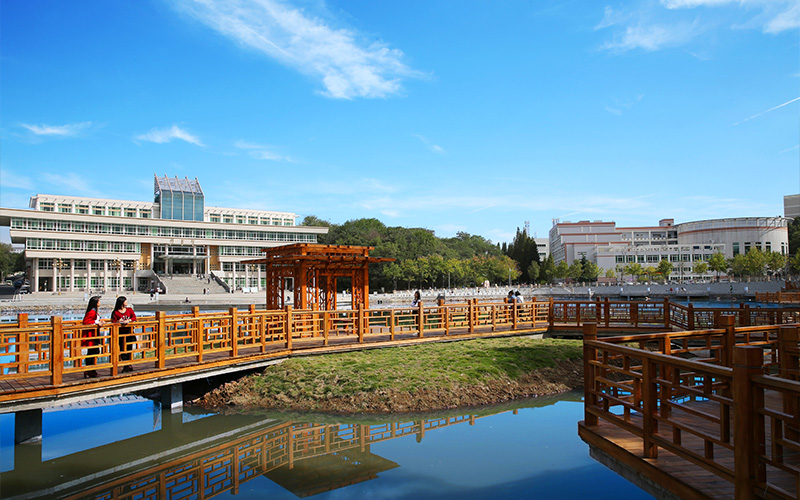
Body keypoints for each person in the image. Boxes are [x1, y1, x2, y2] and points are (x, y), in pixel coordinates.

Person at [111, 296, 137, 373]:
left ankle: (128, 364)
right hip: (120, 333)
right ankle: (126, 365)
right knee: (122, 349)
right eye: (125, 301)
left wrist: (129, 320)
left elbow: (134, 318)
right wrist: (118, 321)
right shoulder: (115, 312)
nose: (127, 302)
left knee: (129, 349)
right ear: (122, 303)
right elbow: (113, 322)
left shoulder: (129, 310)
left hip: (129, 332)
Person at [81, 296, 103, 378]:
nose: (100, 303)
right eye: (99, 301)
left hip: (95, 334)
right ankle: (89, 370)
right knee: (92, 352)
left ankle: (92, 370)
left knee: (95, 352)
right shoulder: (91, 312)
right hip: (91, 335)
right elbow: (86, 322)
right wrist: (97, 322)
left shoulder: (94, 312)